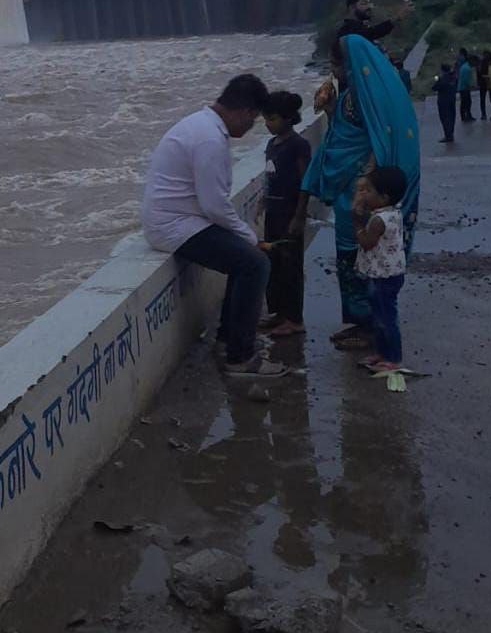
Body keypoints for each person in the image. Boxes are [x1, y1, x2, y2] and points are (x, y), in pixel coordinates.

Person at [141, 74, 287, 377]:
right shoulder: (209, 139)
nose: (250, 128)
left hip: (180, 219)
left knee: (244, 260)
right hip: (175, 225)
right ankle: (240, 357)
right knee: (255, 264)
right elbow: (214, 205)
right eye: (253, 120)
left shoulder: (202, 126)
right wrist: (248, 234)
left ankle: (227, 340)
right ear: (244, 112)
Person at [291, 35, 421, 352]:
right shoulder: (351, 93)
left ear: (352, 65)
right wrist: (330, 108)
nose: (334, 71)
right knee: (349, 260)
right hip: (346, 188)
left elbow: (378, 137)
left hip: (358, 188)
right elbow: (345, 129)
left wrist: (365, 184)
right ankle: (360, 322)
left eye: (337, 64)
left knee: (361, 258)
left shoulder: (369, 97)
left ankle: (372, 328)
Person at [256, 91, 311, 339]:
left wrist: (299, 217)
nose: (268, 124)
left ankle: (295, 318)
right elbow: (270, 176)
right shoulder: (271, 144)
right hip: (274, 213)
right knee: (275, 264)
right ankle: (279, 312)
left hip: (290, 214)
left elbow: (305, 183)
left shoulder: (298, 146)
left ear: (289, 118)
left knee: (291, 267)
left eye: (273, 119)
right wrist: (262, 200)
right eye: (266, 119)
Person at [352, 166, 410, 373]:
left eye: (368, 191)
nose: (364, 194)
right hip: (387, 274)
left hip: (383, 277)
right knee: (379, 316)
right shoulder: (391, 212)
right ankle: (382, 353)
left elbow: (367, 242)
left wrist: (357, 223)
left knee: (385, 318)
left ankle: (393, 358)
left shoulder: (378, 220)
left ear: (384, 197)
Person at [433, 64, 457, 143]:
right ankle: (451, 134)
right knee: (451, 117)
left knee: (445, 118)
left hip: (443, 101)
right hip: (452, 99)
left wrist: (437, 80)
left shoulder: (442, 78)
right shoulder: (453, 77)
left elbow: (435, 87)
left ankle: (448, 136)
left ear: (442, 70)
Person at [457, 49, 475, 122]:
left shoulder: (464, 65)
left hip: (462, 87)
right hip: (464, 88)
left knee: (465, 102)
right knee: (466, 102)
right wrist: (472, 86)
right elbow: (466, 80)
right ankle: (466, 116)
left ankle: (465, 116)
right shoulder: (467, 68)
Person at [476, 51, 491, 120]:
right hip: (485, 82)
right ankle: (484, 114)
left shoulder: (481, 64)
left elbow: (478, 75)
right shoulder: (486, 63)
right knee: (489, 99)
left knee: (483, 99)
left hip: (483, 83)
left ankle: (484, 114)